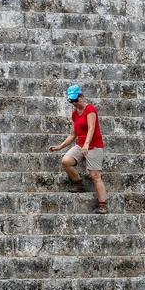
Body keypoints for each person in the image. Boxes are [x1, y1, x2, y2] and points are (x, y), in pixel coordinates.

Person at [49, 85, 107, 214]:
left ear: (81, 96)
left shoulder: (90, 109)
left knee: (95, 175)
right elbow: (72, 134)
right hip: (81, 144)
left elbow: (91, 128)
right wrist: (60, 146)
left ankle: (102, 204)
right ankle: (79, 183)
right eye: (72, 101)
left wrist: (87, 144)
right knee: (66, 161)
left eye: (76, 100)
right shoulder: (75, 113)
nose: (75, 103)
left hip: (94, 145)